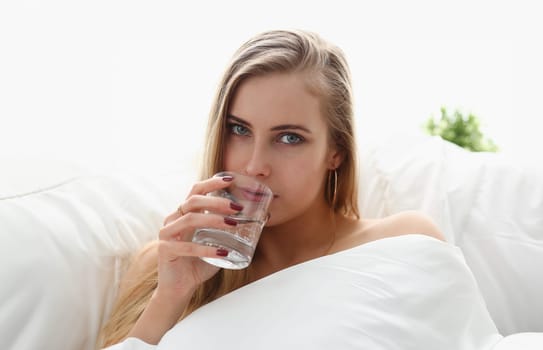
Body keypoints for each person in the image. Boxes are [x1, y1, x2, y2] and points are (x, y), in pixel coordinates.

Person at [99, 29, 444, 347]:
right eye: (239, 130)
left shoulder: (401, 242)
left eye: (289, 138)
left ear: (335, 151)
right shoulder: (163, 264)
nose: (254, 166)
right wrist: (171, 296)